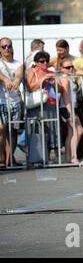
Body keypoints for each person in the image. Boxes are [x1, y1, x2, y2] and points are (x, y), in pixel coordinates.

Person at [0, 38, 24, 167]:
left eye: (9, 46)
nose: (6, 49)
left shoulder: (18, 63)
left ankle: (9, 159)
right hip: (1, 101)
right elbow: (1, 75)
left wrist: (17, 81)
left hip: (15, 101)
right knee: (2, 129)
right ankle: (2, 158)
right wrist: (5, 79)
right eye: (3, 47)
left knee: (13, 131)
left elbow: (19, 75)